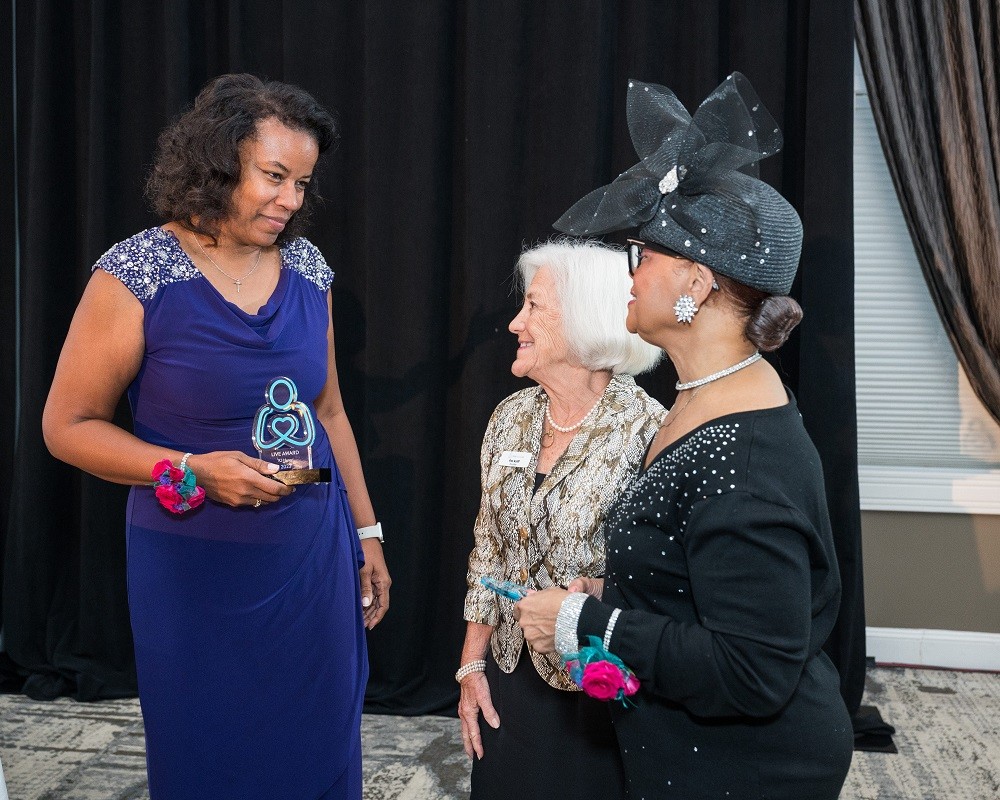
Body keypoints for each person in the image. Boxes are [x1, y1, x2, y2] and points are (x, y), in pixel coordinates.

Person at [42, 74, 390, 799]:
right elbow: (66, 427)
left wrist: (367, 532)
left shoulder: (308, 268)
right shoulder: (138, 271)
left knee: (319, 739)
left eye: (302, 182)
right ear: (219, 159)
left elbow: (329, 412)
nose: (291, 200)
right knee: (211, 752)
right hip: (194, 566)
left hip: (309, 552)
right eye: (273, 176)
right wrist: (192, 467)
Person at [514, 74, 854, 800]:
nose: (628, 274)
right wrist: (624, 591)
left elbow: (753, 670)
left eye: (644, 255)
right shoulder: (704, 400)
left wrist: (588, 619)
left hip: (751, 770)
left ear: (695, 284)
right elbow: (708, 577)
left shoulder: (745, 456)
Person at [458, 239, 664, 800]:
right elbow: (488, 546)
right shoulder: (511, 417)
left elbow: (658, 579)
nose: (514, 323)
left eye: (534, 307)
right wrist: (470, 667)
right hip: (508, 674)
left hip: (596, 689)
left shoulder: (649, 432)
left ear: (586, 321)